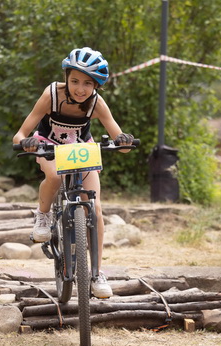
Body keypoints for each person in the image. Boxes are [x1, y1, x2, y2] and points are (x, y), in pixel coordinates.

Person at [12, 47, 133, 299]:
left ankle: (96, 273)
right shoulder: (51, 95)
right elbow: (20, 134)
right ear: (66, 77)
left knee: (95, 208)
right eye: (75, 80)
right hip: (48, 145)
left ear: (96, 85)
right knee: (55, 176)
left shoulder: (97, 103)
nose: (80, 88)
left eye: (88, 83)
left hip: (81, 149)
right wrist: (26, 142)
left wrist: (123, 141)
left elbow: (120, 141)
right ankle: (43, 215)